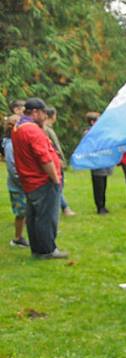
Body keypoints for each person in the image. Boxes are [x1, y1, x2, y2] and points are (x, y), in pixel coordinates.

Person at [12, 98, 66, 258]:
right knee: (46, 217)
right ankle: (48, 250)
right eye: (43, 112)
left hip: (29, 180)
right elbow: (44, 158)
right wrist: (55, 178)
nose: (45, 116)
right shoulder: (32, 130)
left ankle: (37, 249)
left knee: (34, 216)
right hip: (42, 180)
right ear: (35, 112)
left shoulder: (18, 127)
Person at [3, 112, 28, 247]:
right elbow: (12, 168)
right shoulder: (10, 145)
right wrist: (22, 180)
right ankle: (18, 238)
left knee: (27, 211)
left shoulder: (17, 141)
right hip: (18, 186)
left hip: (25, 183)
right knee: (21, 212)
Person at [43, 106, 73, 216]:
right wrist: (58, 159)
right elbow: (50, 147)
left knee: (58, 186)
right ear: (52, 115)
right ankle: (65, 208)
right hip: (54, 162)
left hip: (56, 161)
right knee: (57, 186)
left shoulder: (48, 128)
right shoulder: (45, 129)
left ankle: (63, 208)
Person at [83, 112, 114, 214]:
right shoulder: (89, 133)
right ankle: (100, 206)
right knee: (98, 185)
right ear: (92, 122)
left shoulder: (102, 132)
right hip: (96, 162)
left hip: (104, 161)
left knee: (103, 183)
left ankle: (103, 205)